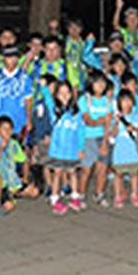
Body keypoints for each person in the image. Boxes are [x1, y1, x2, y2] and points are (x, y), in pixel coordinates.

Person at [46, 80, 86, 214]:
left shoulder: (76, 112)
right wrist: (45, 88)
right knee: (57, 174)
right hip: (57, 150)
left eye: (67, 93)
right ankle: (55, 199)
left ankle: (75, 197)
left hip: (71, 150)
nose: (64, 96)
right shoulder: (54, 110)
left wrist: (81, 148)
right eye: (61, 93)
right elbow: (47, 100)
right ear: (56, 95)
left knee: (72, 173)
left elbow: (81, 131)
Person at [108, 91, 138, 208]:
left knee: (134, 173)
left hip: (132, 150)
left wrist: (134, 128)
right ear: (119, 103)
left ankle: (134, 194)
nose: (127, 103)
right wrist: (116, 123)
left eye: (129, 100)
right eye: (124, 101)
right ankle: (118, 195)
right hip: (120, 151)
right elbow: (112, 134)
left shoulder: (136, 116)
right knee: (118, 174)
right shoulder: (116, 118)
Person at [79, 73, 113, 207]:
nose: (100, 85)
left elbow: (108, 124)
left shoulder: (108, 101)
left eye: (103, 82)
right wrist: (99, 121)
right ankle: (80, 195)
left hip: (102, 137)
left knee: (102, 168)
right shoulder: (85, 99)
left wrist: (105, 143)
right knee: (86, 169)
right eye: (97, 82)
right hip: (88, 138)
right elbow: (87, 120)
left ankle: (99, 194)